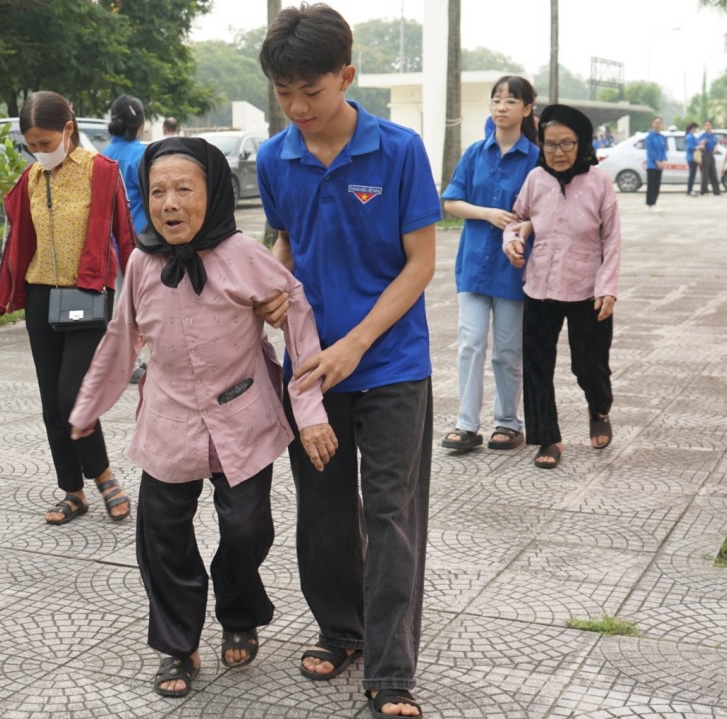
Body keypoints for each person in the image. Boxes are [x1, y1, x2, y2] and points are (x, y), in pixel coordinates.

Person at [67, 137, 338, 698]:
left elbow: (300, 317)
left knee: (246, 529)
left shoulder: (244, 256)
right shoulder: (142, 264)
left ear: (211, 195)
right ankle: (178, 644)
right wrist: (89, 407)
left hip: (244, 417)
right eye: (158, 191)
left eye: (184, 190)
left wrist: (309, 411)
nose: (169, 204)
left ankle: (239, 609)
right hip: (168, 420)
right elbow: (121, 340)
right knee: (161, 536)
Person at [255, 4, 441, 717]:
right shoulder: (277, 158)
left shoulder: (397, 150)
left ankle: (392, 670)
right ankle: (341, 628)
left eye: (313, 90)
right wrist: (272, 292)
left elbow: (420, 263)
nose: (299, 107)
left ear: (347, 75)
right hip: (310, 368)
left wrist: (357, 340)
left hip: (391, 362)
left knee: (391, 511)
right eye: (284, 93)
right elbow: (287, 244)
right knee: (325, 509)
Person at [0, 91, 135, 524]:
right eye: (32, 145)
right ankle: (73, 491)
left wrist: (142, 304)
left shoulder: (102, 172)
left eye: (46, 143)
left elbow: (128, 238)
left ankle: (104, 476)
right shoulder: (29, 179)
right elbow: (16, 249)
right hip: (42, 299)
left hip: (87, 296)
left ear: (68, 130)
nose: (39, 152)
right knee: (52, 403)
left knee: (73, 396)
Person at [503, 104, 621, 470]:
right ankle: (548, 437)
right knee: (537, 366)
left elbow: (612, 239)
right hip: (539, 288)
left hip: (588, 290)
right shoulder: (535, 179)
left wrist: (608, 288)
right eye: (550, 145)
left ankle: (599, 407)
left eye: (566, 144)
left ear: (581, 143)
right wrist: (512, 239)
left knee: (590, 368)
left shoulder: (600, 182)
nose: (557, 152)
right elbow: (517, 218)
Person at [440, 76, 540, 453]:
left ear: (527, 109)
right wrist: (487, 214)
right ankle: (466, 424)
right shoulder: (474, 153)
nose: (501, 107)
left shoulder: (535, 158)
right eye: (497, 100)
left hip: (514, 268)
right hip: (473, 264)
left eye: (511, 101)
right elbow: (451, 202)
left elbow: (545, 210)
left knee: (507, 349)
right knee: (470, 343)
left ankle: (508, 422)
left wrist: (521, 226)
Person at [102, 95, 151, 384]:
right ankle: (132, 361)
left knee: (119, 302)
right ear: (140, 124)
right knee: (137, 303)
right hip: (137, 242)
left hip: (108, 242)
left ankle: (122, 360)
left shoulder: (104, 154)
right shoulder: (142, 155)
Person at [103, 94, 148, 235]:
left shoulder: (102, 156)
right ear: (141, 124)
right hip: (140, 238)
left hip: (111, 241)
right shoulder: (143, 156)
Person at [645, 115, 667, 212]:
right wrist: (657, 161)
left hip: (660, 165)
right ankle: (650, 204)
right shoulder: (650, 137)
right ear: (652, 124)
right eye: (656, 122)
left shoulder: (662, 137)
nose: (658, 124)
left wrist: (663, 161)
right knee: (651, 185)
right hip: (652, 165)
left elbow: (664, 150)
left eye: (659, 123)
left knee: (657, 185)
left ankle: (654, 202)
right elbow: (650, 151)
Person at [699, 120, 721, 196]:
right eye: (706, 125)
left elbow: (715, 144)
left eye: (709, 125)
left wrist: (715, 149)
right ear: (704, 127)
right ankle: (704, 190)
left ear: (711, 126)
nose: (708, 127)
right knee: (705, 173)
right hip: (704, 154)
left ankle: (716, 190)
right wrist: (702, 143)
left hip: (711, 154)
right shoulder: (702, 136)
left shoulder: (713, 136)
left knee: (713, 173)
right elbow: (699, 146)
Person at [684, 122, 701, 196]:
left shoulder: (691, 136)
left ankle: (690, 189)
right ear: (693, 128)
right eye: (696, 128)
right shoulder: (690, 137)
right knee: (692, 175)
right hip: (692, 158)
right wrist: (697, 147)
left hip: (692, 158)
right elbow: (689, 147)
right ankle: (689, 190)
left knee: (692, 174)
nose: (696, 130)